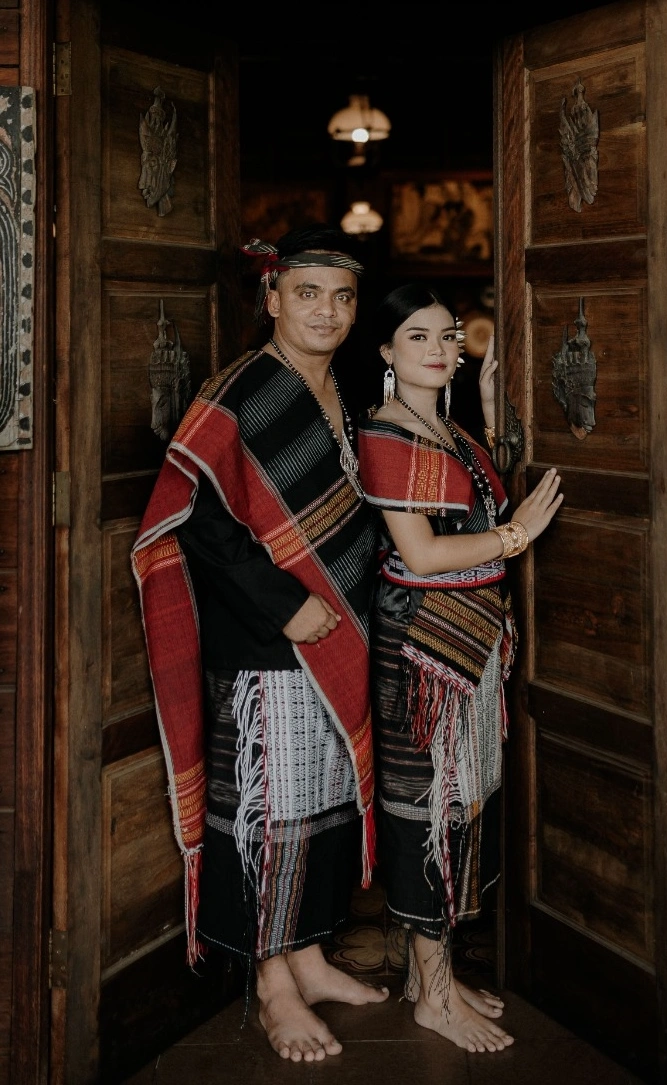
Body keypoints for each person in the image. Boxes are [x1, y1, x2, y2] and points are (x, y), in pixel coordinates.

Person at [130, 224, 389, 1064]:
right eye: (307, 293)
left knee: (323, 800)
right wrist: (285, 607)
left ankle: (308, 955)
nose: (325, 311)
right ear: (272, 298)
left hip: (336, 625)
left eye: (341, 297)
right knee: (270, 809)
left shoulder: (340, 385)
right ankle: (271, 979)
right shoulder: (241, 390)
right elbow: (196, 521)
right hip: (265, 638)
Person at [356, 283, 563, 1054]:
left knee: (462, 802)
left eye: (448, 336)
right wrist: (514, 537)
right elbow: (421, 552)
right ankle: (435, 998)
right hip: (421, 647)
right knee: (425, 808)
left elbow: (474, 499)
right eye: (418, 336)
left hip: (469, 642)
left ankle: (426, 978)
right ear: (386, 351)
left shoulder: (447, 430)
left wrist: (485, 405)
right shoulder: (385, 434)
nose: (440, 349)